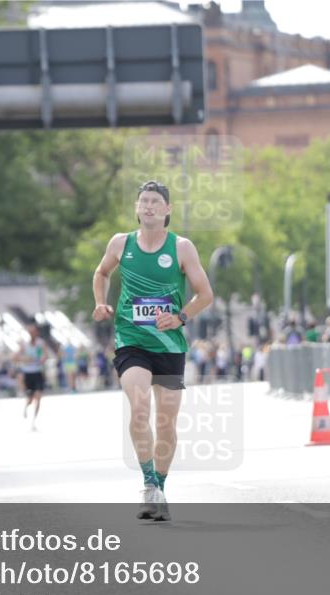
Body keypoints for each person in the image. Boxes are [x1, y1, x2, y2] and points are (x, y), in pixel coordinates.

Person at [92, 180, 213, 521]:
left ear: (167, 209)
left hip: (169, 345)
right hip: (131, 340)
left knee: (166, 420)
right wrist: (101, 303)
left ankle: (160, 485)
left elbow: (205, 294)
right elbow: (101, 273)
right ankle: (148, 484)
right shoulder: (121, 243)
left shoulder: (182, 248)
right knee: (140, 406)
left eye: (155, 201)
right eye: (143, 201)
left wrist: (180, 317)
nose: (148, 206)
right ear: (136, 208)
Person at [16, 322, 47, 430]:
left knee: (38, 397)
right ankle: (26, 406)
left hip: (37, 372)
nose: (31, 333)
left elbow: (45, 355)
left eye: (33, 331)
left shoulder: (40, 343)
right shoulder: (24, 344)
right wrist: (24, 359)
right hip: (27, 373)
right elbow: (15, 357)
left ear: (37, 332)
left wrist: (42, 359)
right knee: (30, 398)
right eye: (30, 331)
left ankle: (34, 420)